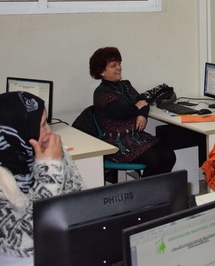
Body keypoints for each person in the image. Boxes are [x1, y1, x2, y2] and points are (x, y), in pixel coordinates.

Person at [0, 91, 84, 258]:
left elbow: (77, 202)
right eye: (42, 124)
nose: (49, 131)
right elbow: (24, 243)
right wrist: (49, 170)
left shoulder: (46, 152)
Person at [90, 46, 176, 177]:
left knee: (169, 155)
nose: (119, 68)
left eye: (119, 64)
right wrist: (138, 107)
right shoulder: (101, 93)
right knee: (155, 160)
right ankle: (145, 195)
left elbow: (143, 101)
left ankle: (158, 193)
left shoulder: (125, 85)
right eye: (114, 65)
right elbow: (122, 112)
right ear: (102, 71)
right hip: (117, 143)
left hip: (135, 137)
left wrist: (142, 114)